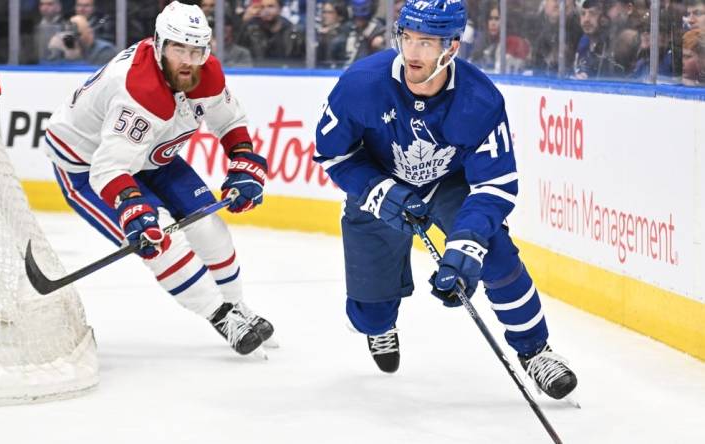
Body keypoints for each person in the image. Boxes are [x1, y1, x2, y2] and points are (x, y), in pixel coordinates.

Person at [313, 0, 578, 401]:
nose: (413, 52)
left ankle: (536, 350)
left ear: (452, 47)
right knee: (370, 313)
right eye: (407, 38)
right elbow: (334, 153)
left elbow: (494, 184)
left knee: (496, 255)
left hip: (448, 185)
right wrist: (375, 189)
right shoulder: (361, 84)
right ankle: (381, 325)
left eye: (426, 42)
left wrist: (466, 244)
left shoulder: (480, 99)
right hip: (379, 182)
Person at [41, 1, 274, 356]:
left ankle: (238, 307)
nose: (187, 59)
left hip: (152, 154)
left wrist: (244, 159)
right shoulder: (139, 91)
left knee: (208, 225)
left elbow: (229, 120)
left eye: (196, 49)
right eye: (178, 48)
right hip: (86, 166)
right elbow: (109, 168)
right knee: (162, 241)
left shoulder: (205, 72)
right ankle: (221, 316)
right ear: (159, 44)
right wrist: (133, 207)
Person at [45, 14, 117, 65]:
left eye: (77, 34)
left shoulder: (105, 51)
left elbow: (92, 78)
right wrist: (54, 49)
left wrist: (76, 58)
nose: (74, 38)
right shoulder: (66, 46)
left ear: (89, 32)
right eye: (70, 34)